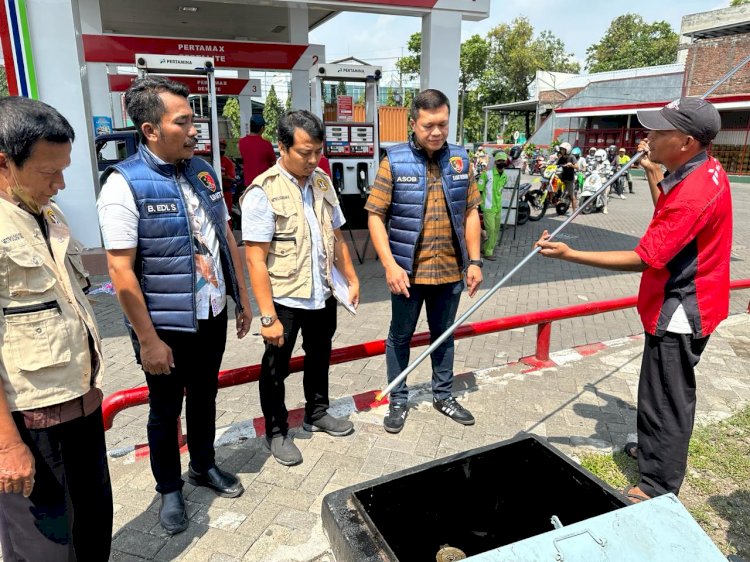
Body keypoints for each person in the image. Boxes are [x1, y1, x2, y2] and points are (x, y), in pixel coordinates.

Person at [535, 97, 730, 503]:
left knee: (666, 399)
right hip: (688, 298)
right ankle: (652, 452)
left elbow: (645, 257)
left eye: (660, 132)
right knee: (656, 391)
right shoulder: (703, 170)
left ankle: (658, 485)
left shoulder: (693, 192)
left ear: (688, 141)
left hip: (681, 307)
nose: (649, 137)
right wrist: (654, 172)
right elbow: (673, 221)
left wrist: (571, 254)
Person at [97, 76, 253, 535]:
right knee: (165, 409)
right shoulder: (124, 184)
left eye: (193, 120)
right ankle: (169, 489)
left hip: (211, 312)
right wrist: (148, 340)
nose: (193, 130)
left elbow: (226, 235)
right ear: (150, 130)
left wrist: (240, 297)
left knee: (205, 395)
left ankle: (202, 465)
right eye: (182, 122)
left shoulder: (203, 170)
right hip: (164, 324)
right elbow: (120, 271)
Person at [0, 97, 112, 560]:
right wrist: (7, 446)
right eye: (49, 173)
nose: (61, 185)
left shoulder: (49, 215)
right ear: (4, 164)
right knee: (44, 549)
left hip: (82, 409)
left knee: (93, 529)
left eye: (63, 170)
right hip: (30, 426)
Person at [242, 110, 360, 466]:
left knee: (320, 355)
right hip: (283, 299)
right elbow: (255, 260)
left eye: (317, 152)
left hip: (321, 292)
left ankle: (317, 411)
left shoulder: (322, 180)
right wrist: (267, 316)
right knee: (276, 367)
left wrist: (352, 278)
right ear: (282, 147)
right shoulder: (263, 191)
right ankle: (276, 432)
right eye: (304, 152)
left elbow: (337, 236)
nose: (312, 160)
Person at [366, 89, 484, 434]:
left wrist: (474, 261)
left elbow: (472, 211)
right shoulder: (394, 160)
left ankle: (443, 395)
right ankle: (398, 399)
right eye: (429, 125)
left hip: (449, 271)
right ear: (413, 123)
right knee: (400, 337)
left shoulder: (460, 160)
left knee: (443, 336)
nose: (436, 132)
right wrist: (389, 265)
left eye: (443, 125)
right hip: (407, 273)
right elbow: (375, 215)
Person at [477, 150, 509, 261]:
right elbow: (479, 191)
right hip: (488, 207)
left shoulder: (505, 177)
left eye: (503, 161)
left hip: (498, 208)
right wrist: (479, 205)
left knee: (496, 230)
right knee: (490, 230)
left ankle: (486, 248)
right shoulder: (486, 175)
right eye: (499, 160)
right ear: (495, 162)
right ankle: (488, 253)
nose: (502, 162)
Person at [239, 114, 276, 188]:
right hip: (264, 184)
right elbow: (274, 164)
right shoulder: (266, 144)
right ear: (262, 128)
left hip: (249, 184)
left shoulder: (241, 142)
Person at [556, 142, 578, 213]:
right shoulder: (561, 158)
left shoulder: (572, 157)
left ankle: (574, 212)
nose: (561, 151)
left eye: (563, 149)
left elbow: (577, 167)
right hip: (562, 177)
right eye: (561, 149)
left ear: (567, 150)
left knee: (572, 196)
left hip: (569, 179)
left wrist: (571, 165)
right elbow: (556, 165)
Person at [219, 139, 236, 220]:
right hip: (213, 191)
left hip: (226, 192)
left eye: (223, 146)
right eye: (220, 146)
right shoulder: (210, 160)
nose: (221, 148)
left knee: (227, 215)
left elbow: (232, 178)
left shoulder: (228, 162)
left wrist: (221, 176)